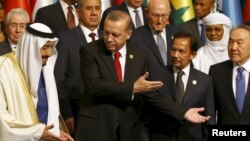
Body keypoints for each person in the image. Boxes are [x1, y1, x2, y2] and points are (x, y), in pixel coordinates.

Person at [75, 10, 210, 141]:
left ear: (128, 34)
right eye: (106, 33)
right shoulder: (90, 50)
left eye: (115, 35)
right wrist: (132, 88)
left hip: (127, 130)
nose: (109, 39)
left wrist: (183, 112)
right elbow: (94, 86)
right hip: (98, 127)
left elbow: (150, 93)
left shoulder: (139, 55)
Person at [0, 23, 73, 141]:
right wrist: (37, 132)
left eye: (51, 47)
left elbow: (47, 113)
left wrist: (55, 132)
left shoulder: (45, 72)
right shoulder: (3, 68)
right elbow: (2, 119)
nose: (49, 53)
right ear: (30, 47)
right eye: (45, 47)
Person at [146, 31, 216, 141]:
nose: (175, 55)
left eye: (181, 51)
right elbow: (147, 113)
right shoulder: (155, 75)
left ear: (193, 55)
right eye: (173, 50)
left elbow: (209, 118)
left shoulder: (205, 80)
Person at [54, 0, 103, 135]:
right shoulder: (65, 39)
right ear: (78, 13)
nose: (94, 13)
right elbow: (59, 81)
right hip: (78, 115)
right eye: (89, 9)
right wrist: (67, 114)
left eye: (97, 8)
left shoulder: (108, 38)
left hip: (106, 115)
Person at [209, 25, 250, 124]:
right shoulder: (216, 71)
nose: (233, 48)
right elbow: (210, 110)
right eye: (231, 42)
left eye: (239, 43)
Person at [130, 0, 178, 69]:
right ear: (146, 13)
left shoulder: (178, 33)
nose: (160, 21)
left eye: (164, 16)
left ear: (169, 13)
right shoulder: (135, 38)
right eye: (155, 16)